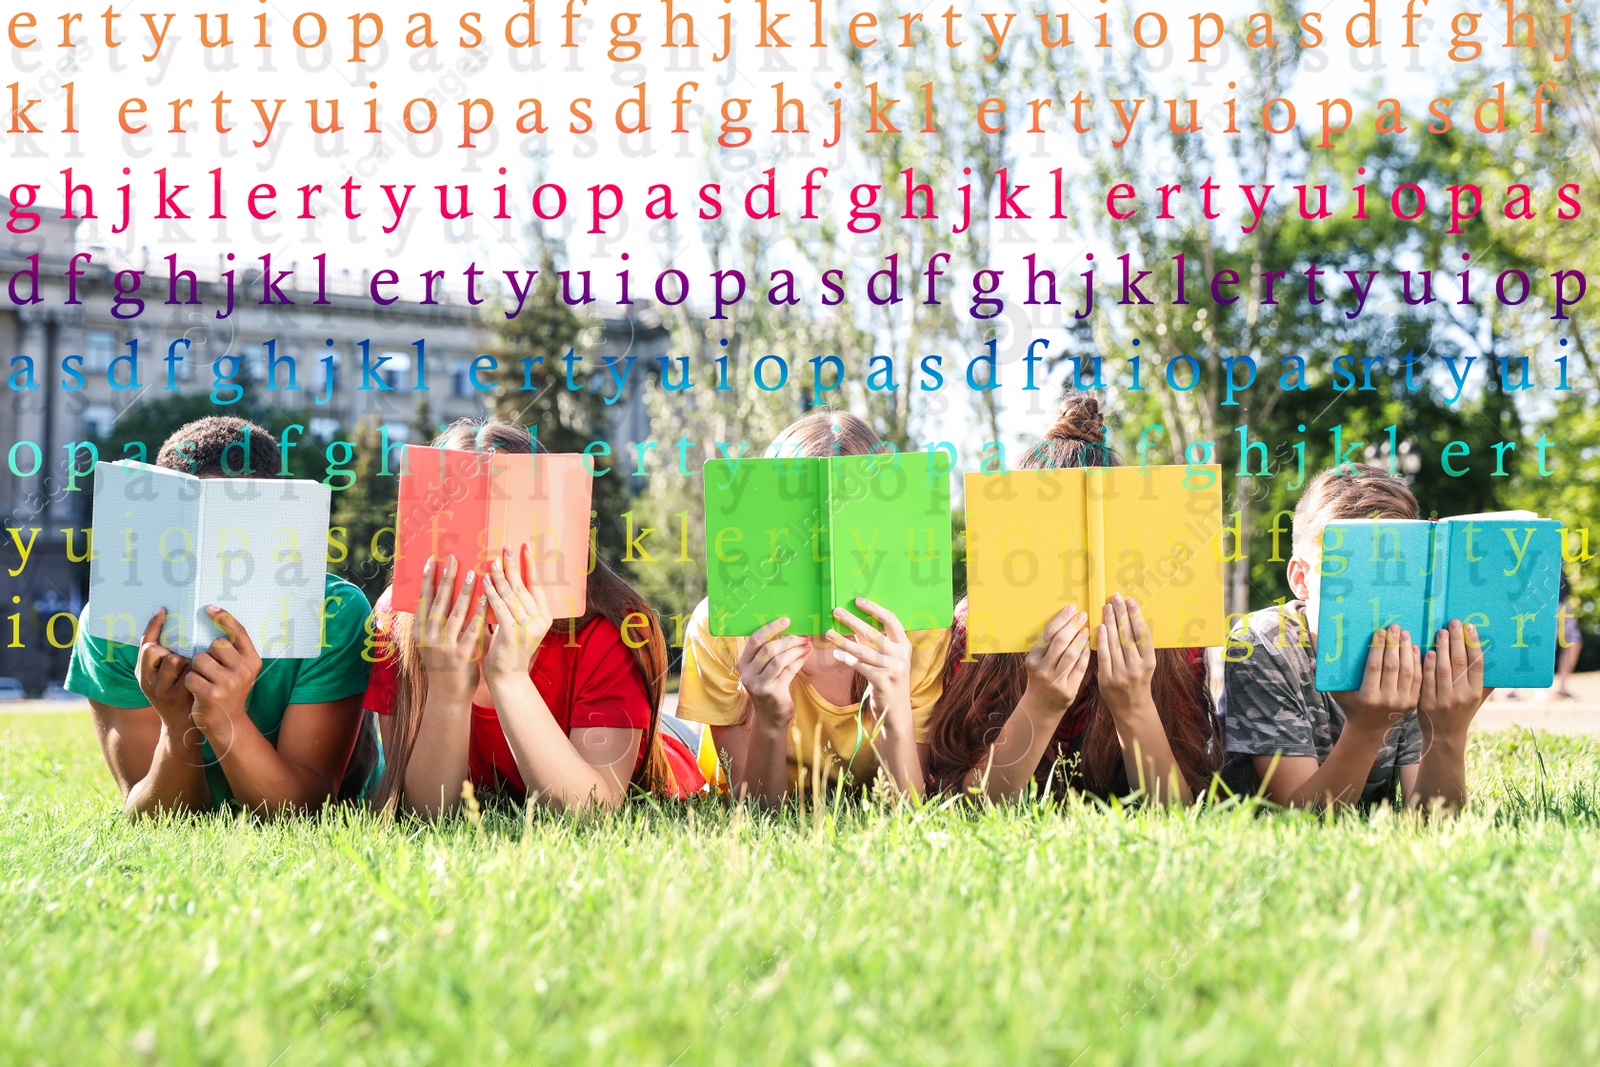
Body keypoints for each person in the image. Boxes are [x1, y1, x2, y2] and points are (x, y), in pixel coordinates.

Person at [365, 419, 701, 817]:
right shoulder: (399, 621)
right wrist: (447, 692)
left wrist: (509, 677)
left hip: (659, 751)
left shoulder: (609, 628)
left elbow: (593, 811)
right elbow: (429, 814)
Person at [67, 416, 379, 816]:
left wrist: (227, 716)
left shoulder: (334, 612)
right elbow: (155, 816)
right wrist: (177, 725)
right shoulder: (111, 623)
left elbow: (302, 812)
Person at [926, 395, 1221, 806]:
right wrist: (1041, 703)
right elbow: (964, 808)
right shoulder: (973, 630)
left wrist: (1135, 705)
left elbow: (1181, 811)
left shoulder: (1173, 634)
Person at [676, 411, 952, 804]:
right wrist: (770, 719)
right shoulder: (721, 624)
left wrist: (894, 713)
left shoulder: (918, 627)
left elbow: (910, 808)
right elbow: (753, 813)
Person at [1220, 464, 1492, 810]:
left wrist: (1448, 733)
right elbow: (1300, 818)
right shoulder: (1262, 645)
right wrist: (1368, 726)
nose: (1374, 596)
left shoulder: (1410, 643)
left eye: (1397, 573)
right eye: (1350, 572)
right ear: (1301, 579)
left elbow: (1432, 819)